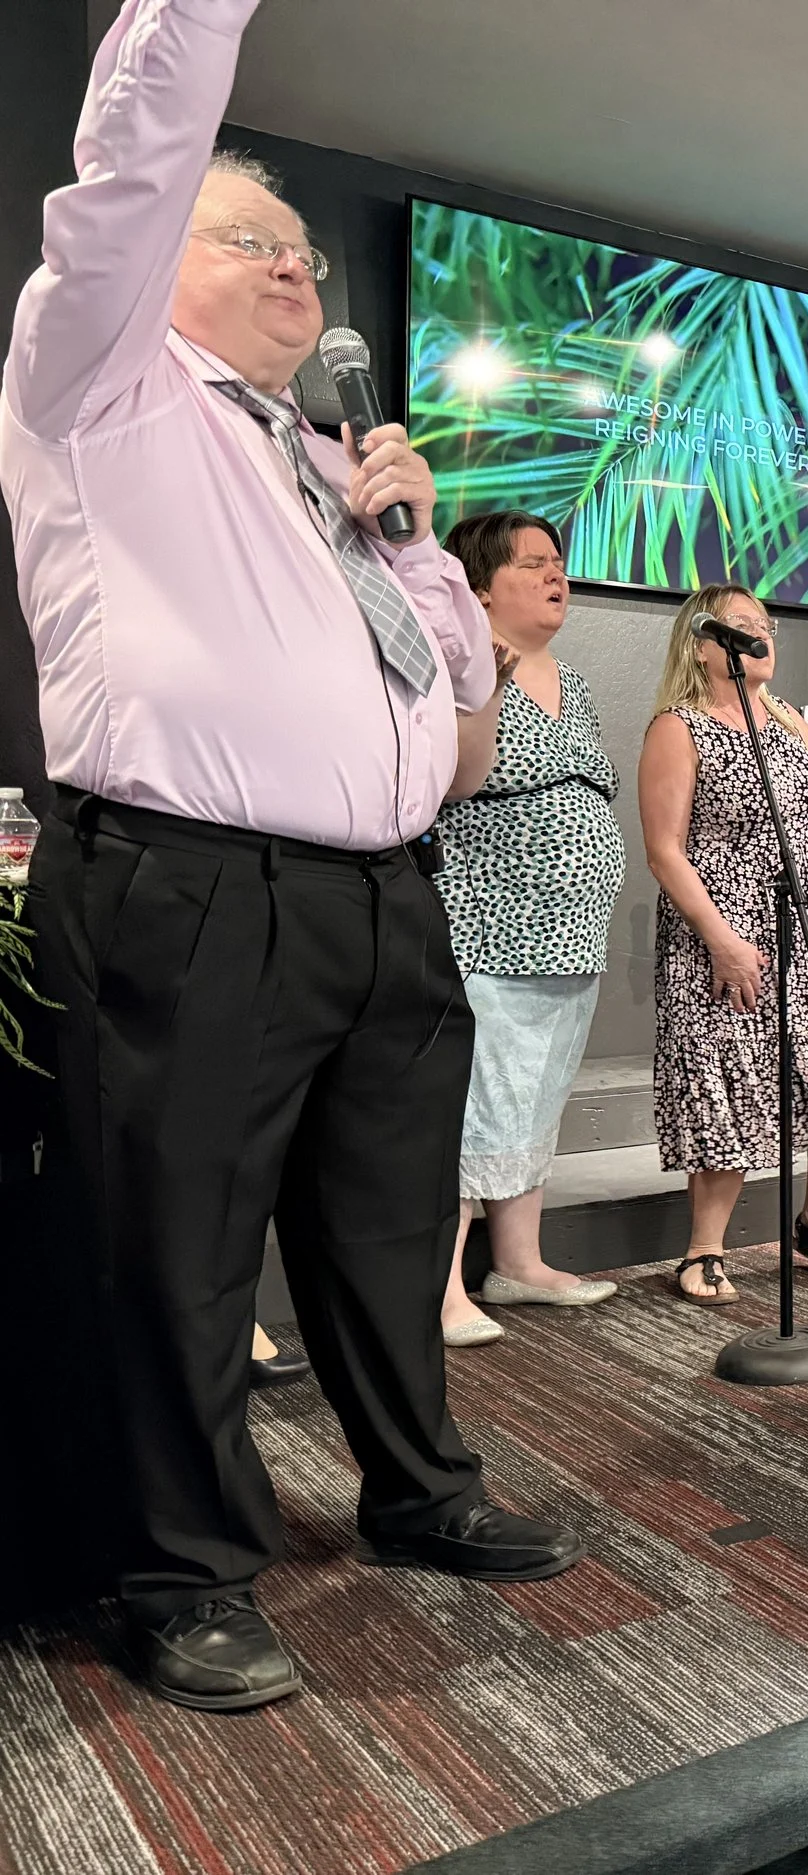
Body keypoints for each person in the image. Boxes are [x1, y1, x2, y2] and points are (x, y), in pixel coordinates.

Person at [3, 0, 580, 1712]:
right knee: (177, 1243)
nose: (304, 280)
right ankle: (177, 1568)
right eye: (263, 244)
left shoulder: (317, 457)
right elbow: (136, 146)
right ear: (162, 254)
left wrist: (398, 527)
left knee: (391, 1224)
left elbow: (455, 686)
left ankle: (419, 1488)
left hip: (388, 893)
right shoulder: (93, 379)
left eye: (314, 261)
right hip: (191, 886)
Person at [638, 586, 808, 1302]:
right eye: (741, 625)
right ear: (703, 644)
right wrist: (723, 940)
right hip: (719, 928)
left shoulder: (784, 717)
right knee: (726, 1078)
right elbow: (665, 852)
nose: (761, 634)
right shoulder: (679, 726)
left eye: (767, 624)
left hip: (807, 919)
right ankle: (704, 1248)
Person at [433, 513, 628, 1343]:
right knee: (469, 1103)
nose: (558, 575)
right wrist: (492, 687)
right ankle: (440, 1288)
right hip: (486, 929)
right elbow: (442, 782)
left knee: (536, 1094)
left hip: (569, 936)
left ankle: (520, 1260)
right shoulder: (454, 665)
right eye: (534, 564)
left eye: (560, 563)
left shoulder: (574, 681)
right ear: (479, 586)